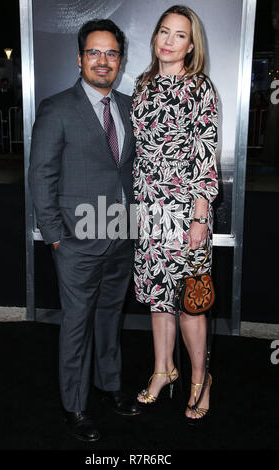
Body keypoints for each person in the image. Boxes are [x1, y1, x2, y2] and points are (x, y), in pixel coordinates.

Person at [28, 19, 140, 442]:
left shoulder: (130, 107)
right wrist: (56, 237)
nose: (103, 61)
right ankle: (75, 406)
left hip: (122, 236)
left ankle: (109, 386)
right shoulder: (57, 108)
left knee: (111, 318)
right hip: (75, 241)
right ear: (79, 59)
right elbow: (41, 176)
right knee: (77, 323)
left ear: (120, 60)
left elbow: (130, 171)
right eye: (94, 52)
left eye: (111, 53)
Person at [131, 5, 218, 423]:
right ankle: (164, 370)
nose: (168, 40)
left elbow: (205, 157)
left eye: (179, 35)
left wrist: (201, 217)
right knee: (157, 298)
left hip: (186, 212)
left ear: (191, 44)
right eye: (163, 31)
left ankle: (201, 380)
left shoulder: (201, 88)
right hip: (150, 211)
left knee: (189, 303)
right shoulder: (142, 85)